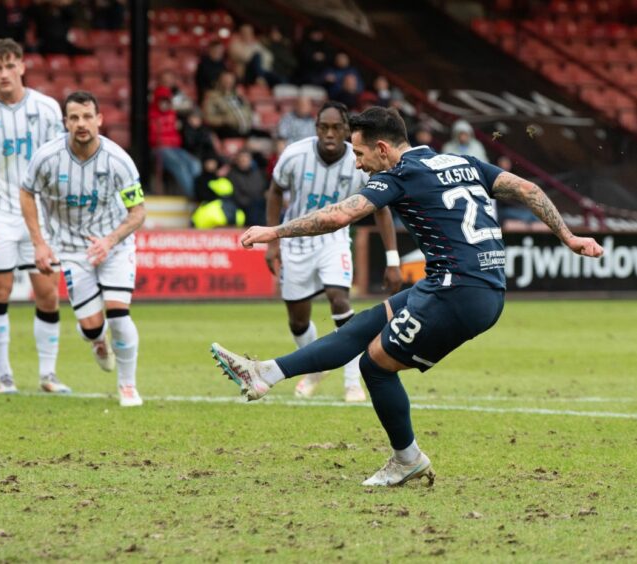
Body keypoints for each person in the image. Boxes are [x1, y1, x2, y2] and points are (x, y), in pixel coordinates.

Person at [211, 106, 603, 487]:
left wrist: (274, 231)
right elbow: (527, 188)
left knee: (376, 366)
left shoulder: (400, 174)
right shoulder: (463, 162)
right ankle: (265, 374)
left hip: (458, 293)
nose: (358, 165)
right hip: (467, 285)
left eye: (361, 154)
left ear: (383, 148)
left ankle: (407, 459)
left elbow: (337, 217)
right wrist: (568, 236)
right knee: (364, 326)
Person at [265, 101, 402, 402]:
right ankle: (315, 366)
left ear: (346, 130)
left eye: (336, 127)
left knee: (339, 299)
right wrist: (273, 242)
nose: (329, 133)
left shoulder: (359, 161)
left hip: (334, 239)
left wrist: (393, 259)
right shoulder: (294, 155)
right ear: (315, 128)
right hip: (296, 241)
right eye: (323, 127)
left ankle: (353, 382)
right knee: (298, 321)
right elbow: (275, 192)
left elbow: (381, 208)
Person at [20, 90, 146, 407]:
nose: (81, 123)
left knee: (119, 315)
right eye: (74, 117)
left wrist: (109, 241)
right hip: (72, 249)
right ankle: (95, 339)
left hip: (113, 245)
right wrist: (39, 243)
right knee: (91, 329)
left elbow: (138, 212)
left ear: (99, 119)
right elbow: (26, 193)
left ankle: (127, 386)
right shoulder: (47, 158)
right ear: (65, 122)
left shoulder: (119, 161)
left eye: (87, 116)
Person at [0, 38, 67, 394]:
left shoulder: (48, 109)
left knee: (47, 294)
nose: (3, 74)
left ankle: (48, 375)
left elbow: (60, 161)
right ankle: (3, 376)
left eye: (9, 66)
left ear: (22, 66)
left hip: (42, 216)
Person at [148, 86, 200, 197]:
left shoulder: (173, 114)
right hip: (159, 149)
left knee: (195, 164)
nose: (164, 104)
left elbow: (190, 107)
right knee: (180, 166)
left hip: (175, 148)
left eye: (167, 101)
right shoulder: (151, 115)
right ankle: (194, 195)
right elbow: (152, 138)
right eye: (162, 100)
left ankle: (200, 191)